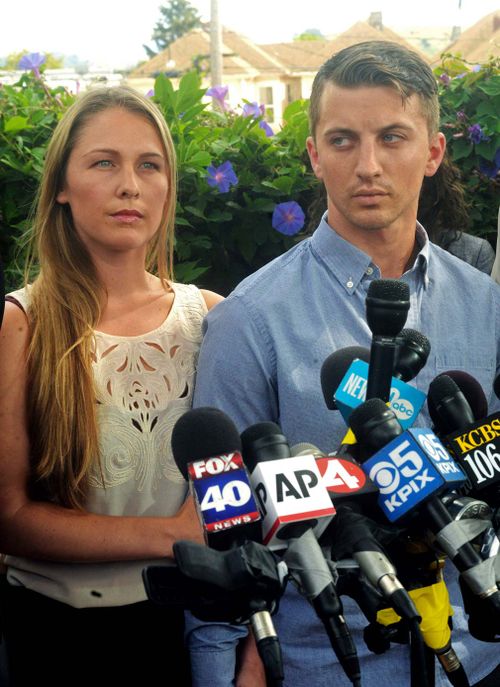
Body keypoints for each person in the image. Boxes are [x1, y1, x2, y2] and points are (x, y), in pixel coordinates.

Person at [188, 41, 500, 687]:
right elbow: (223, 533)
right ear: (313, 154)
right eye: (342, 140)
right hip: (327, 665)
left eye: (392, 137)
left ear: (435, 152)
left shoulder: (487, 305)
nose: (368, 165)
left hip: (478, 655)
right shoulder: (251, 318)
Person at [0, 85, 222, 686]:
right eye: (104, 162)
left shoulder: (211, 319)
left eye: (149, 165)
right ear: (62, 188)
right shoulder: (22, 324)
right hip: (59, 641)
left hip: (192, 633)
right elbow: (10, 515)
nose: (130, 185)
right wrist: (171, 535)